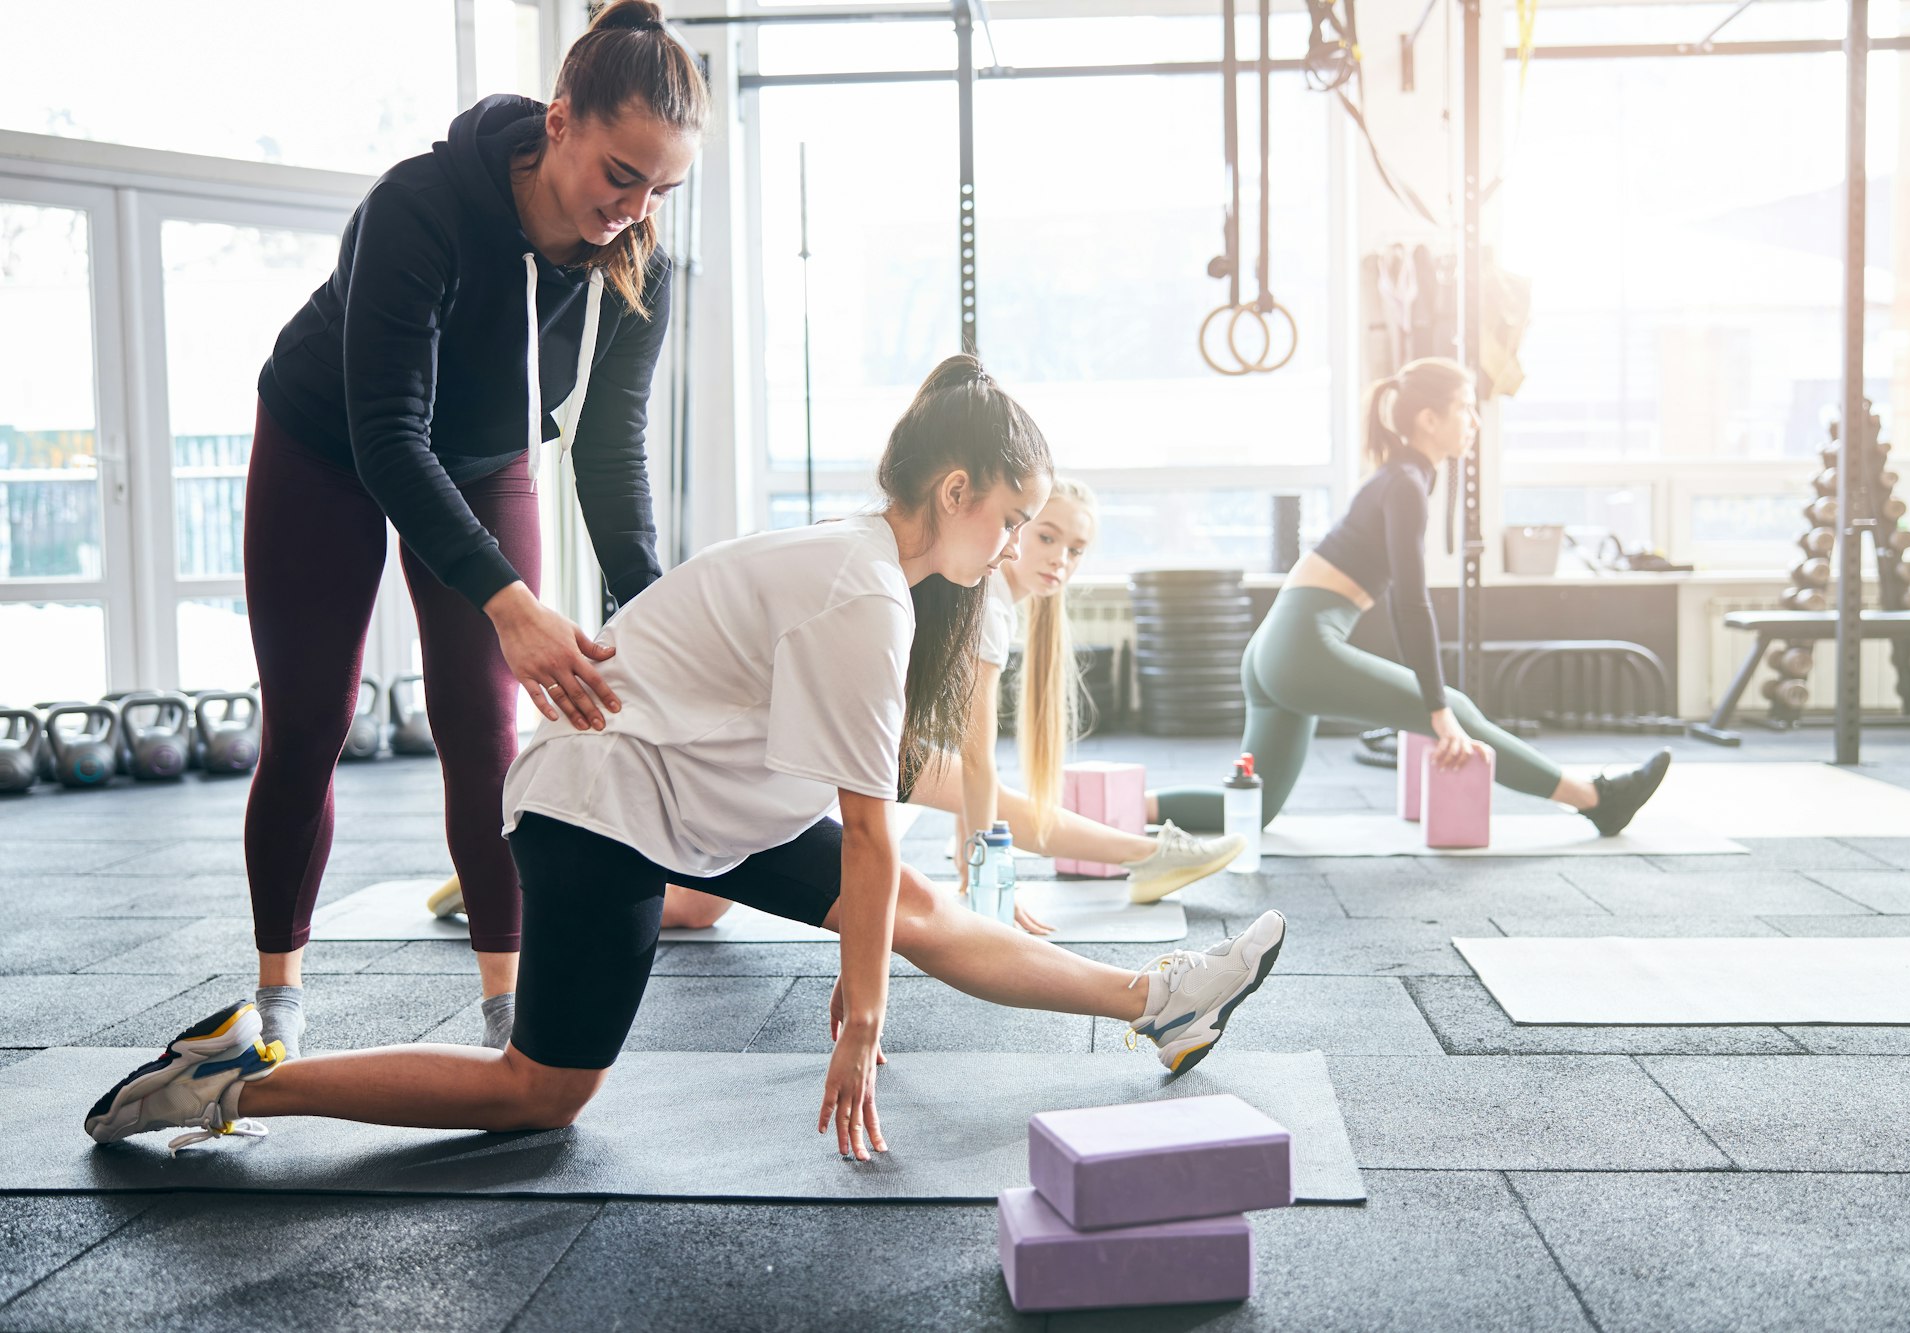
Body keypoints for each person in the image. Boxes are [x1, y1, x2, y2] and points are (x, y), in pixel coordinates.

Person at [85, 355, 1288, 1163]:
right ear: (957, 487)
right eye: (1011, 520)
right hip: (602, 810)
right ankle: (239, 1079)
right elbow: (866, 831)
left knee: (912, 909)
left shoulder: (878, 578)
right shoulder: (860, 593)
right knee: (541, 1094)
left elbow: (888, 822)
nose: (1018, 543)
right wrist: (859, 1025)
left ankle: (1162, 1004)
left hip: (704, 799)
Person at [238, 0, 706, 1058]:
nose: (631, 208)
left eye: (659, 189)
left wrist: (653, 607)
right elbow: (387, 437)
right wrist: (513, 604)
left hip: (485, 456)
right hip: (329, 442)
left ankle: (508, 1007)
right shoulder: (422, 206)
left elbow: (607, 449)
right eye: (618, 173)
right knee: (310, 723)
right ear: (559, 122)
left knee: (487, 734)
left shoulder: (640, 268)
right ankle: (277, 995)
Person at [656, 478, 1243, 937]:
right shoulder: (985, 600)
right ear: (1013, 526)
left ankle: (1152, 855)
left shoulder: (992, 598)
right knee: (998, 797)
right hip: (825, 724)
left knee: (698, 908)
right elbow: (977, 761)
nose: (1060, 558)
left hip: (830, 724)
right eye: (1044, 535)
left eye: (1077, 549)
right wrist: (990, 876)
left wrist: (972, 850)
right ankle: (1151, 854)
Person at [1152, 357, 1671, 835]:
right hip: (1300, 647)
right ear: (1428, 418)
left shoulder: (1399, 477)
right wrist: (1436, 706)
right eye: (1466, 408)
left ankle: (1122, 808)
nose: (1475, 421)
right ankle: (1596, 800)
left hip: (1276, 646)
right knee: (1459, 713)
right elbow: (1410, 602)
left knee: (1252, 809)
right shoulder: (1404, 483)